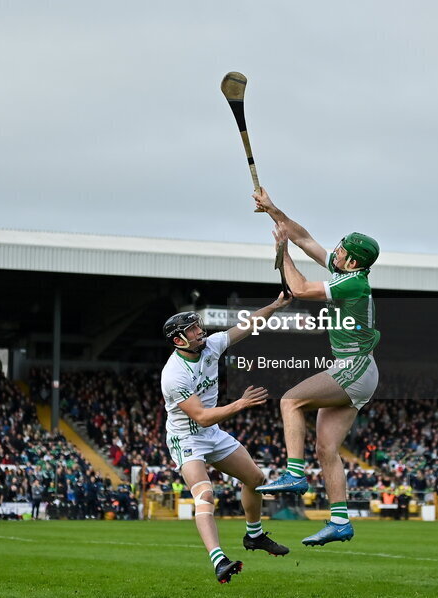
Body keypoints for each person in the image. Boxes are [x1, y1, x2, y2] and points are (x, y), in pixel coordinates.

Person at [252, 187, 381, 547]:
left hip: (355, 367)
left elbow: (300, 287)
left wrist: (282, 252)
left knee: (290, 400)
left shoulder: (353, 283)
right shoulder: (347, 272)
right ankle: (340, 522)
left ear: (353, 262)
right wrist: (274, 211)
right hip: (360, 370)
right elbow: (306, 238)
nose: (335, 252)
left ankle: (294, 473)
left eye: (341, 251)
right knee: (326, 449)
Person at [160, 295, 292, 584]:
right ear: (179, 341)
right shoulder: (173, 375)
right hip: (187, 438)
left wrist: (275, 305)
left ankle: (254, 536)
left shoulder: (211, 345)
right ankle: (219, 560)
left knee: (256, 479)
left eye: (198, 326)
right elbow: (202, 417)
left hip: (213, 433)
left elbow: (248, 325)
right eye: (192, 330)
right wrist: (240, 404)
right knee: (205, 495)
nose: (200, 331)